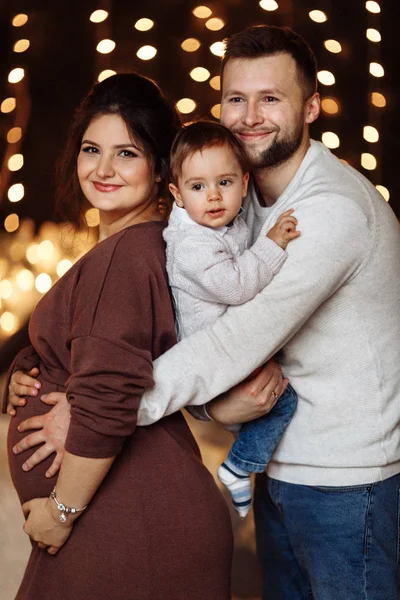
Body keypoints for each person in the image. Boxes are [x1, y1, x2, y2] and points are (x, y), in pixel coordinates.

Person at [7, 24, 400, 599]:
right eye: (236, 98)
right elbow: (173, 330)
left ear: (313, 105)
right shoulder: (232, 207)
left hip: (345, 484)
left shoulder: (329, 212)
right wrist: (33, 368)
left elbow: (232, 341)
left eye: (272, 98)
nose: (249, 116)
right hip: (282, 472)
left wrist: (99, 408)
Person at [3, 72, 235, 600]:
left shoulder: (128, 256)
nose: (103, 169)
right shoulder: (136, 248)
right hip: (128, 519)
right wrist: (28, 370)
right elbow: (103, 349)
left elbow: (110, 394)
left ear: (160, 169)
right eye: (91, 149)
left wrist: (60, 514)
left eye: (126, 153)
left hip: (131, 525)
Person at [166, 119, 299, 518]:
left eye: (224, 182)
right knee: (283, 400)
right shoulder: (191, 245)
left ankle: (245, 464)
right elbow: (237, 286)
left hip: (229, 346)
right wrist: (273, 244)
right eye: (197, 186)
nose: (213, 197)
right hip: (214, 355)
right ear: (176, 194)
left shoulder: (226, 223)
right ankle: (239, 466)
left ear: (244, 183)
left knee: (275, 394)